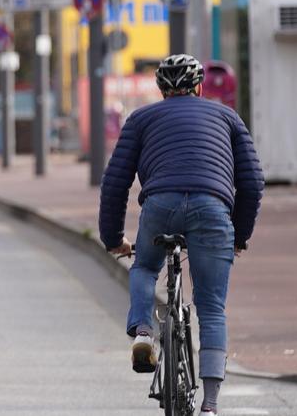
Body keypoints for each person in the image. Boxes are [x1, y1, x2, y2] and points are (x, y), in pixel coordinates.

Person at [97, 54, 264, 416]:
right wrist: (239, 235)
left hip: (161, 206)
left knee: (144, 267)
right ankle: (210, 405)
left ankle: (143, 331)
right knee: (212, 309)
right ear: (200, 87)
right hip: (213, 209)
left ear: (161, 90)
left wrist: (112, 238)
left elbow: (114, 183)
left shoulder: (141, 119)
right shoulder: (228, 118)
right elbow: (252, 182)